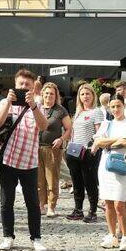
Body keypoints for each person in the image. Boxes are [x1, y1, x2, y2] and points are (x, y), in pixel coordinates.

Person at [0, 68, 49, 251]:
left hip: (29, 161)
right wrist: (8, 102)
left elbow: (43, 126)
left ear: (33, 87)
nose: (24, 87)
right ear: (15, 85)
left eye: (27, 85)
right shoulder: (5, 103)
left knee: (32, 203)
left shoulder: (38, 104)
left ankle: (36, 238)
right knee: (6, 201)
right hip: (8, 159)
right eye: (21, 84)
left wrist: (33, 106)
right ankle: (7, 237)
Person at [94, 97, 126, 251]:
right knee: (108, 203)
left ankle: (125, 236)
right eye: (113, 106)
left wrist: (107, 142)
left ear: (124, 106)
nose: (115, 109)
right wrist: (115, 141)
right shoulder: (106, 123)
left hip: (121, 165)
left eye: (118, 106)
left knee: (120, 204)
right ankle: (112, 234)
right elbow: (98, 142)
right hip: (106, 165)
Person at [67, 82, 104, 223]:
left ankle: (93, 211)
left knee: (90, 182)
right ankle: (78, 209)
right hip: (74, 150)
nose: (85, 96)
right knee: (77, 182)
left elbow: (99, 132)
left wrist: (94, 147)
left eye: (88, 94)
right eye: (82, 94)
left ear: (93, 95)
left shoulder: (96, 112)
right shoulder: (78, 112)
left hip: (88, 152)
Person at [37, 81, 71, 218]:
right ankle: (41, 205)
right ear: (42, 94)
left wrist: (61, 139)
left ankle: (51, 206)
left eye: (52, 93)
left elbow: (69, 129)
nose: (49, 96)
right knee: (39, 180)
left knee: (52, 180)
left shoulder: (60, 110)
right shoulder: (37, 108)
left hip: (53, 149)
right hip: (36, 148)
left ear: (56, 95)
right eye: (46, 93)